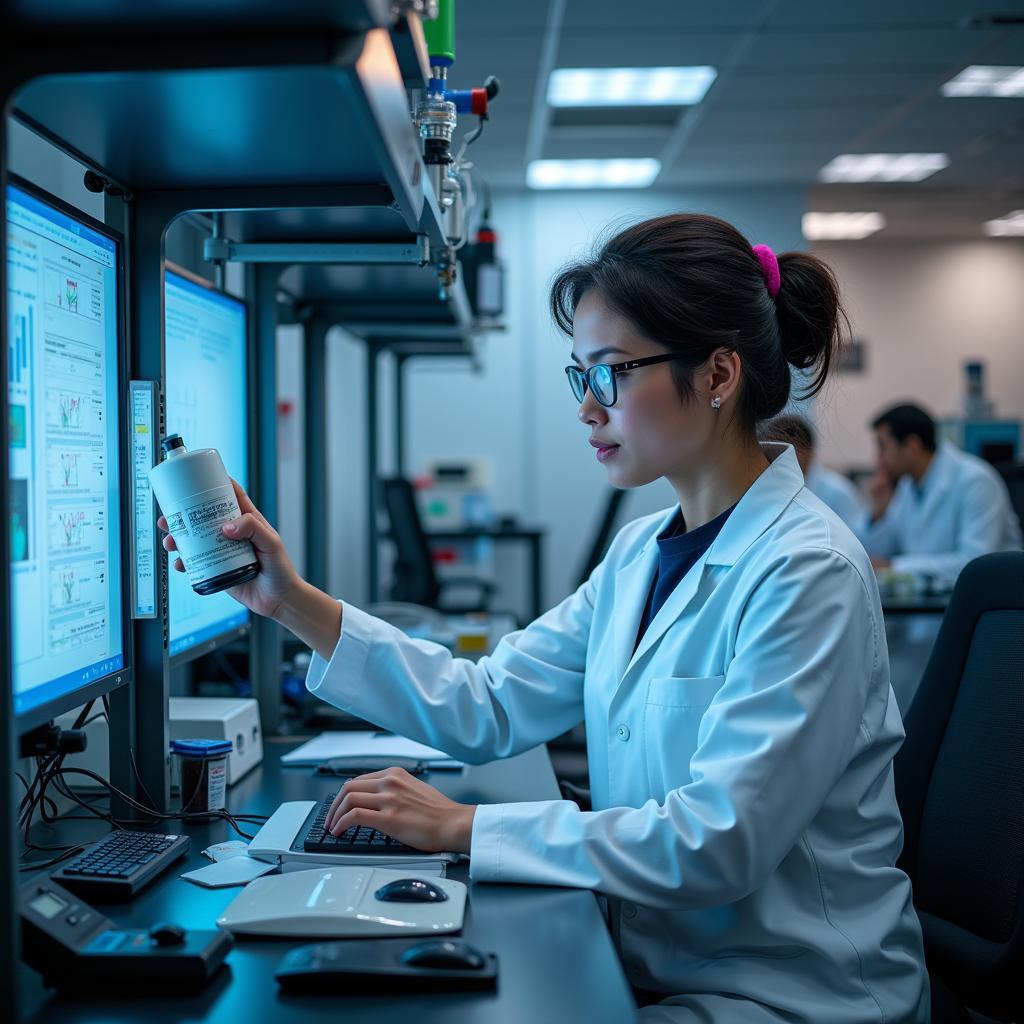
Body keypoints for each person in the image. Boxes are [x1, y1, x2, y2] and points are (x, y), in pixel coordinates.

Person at [160, 215, 928, 1024]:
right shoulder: (642, 554)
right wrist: (287, 599)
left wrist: (464, 826)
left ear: (718, 375)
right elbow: (485, 702)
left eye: (611, 374)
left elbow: (717, 841)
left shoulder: (808, 571)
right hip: (666, 965)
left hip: (789, 995)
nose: (588, 409)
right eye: (580, 377)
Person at [859, 402, 1022, 583]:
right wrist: (878, 512)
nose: (878, 459)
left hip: (984, 604)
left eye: (883, 447)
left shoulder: (976, 481)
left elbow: (972, 564)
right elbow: (877, 554)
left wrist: (895, 567)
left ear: (912, 446)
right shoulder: (908, 485)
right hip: (930, 602)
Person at [759, 413, 865, 529]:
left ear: (808, 451)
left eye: (784, 450)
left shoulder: (840, 493)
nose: (775, 458)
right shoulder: (769, 489)